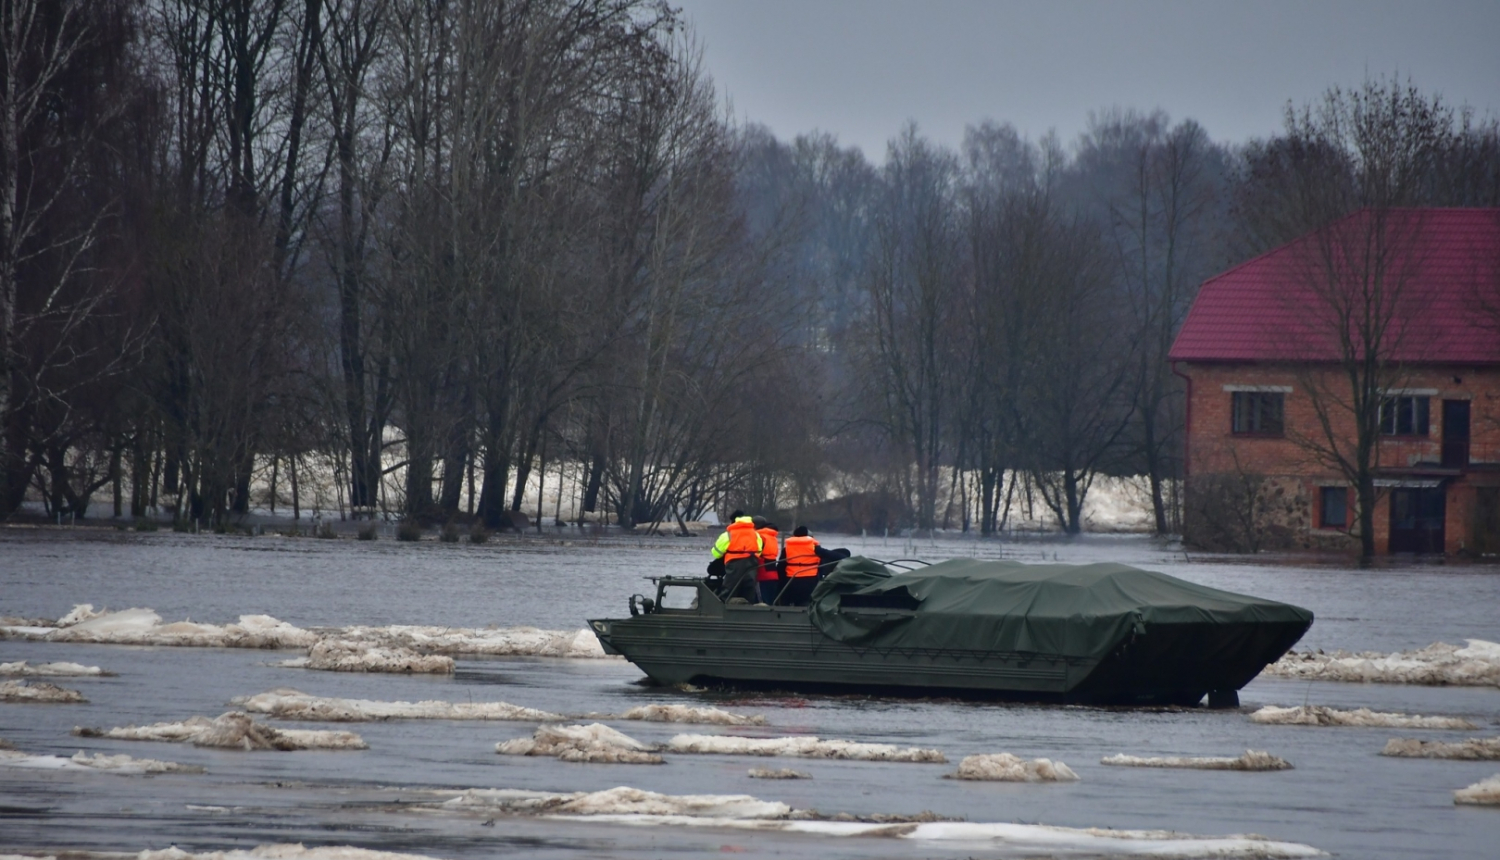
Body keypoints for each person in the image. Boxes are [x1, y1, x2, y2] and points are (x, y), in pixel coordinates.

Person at [777, 526, 850, 606]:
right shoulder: (815, 548)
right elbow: (835, 556)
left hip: (791, 582)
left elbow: (780, 567)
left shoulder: (786, 549)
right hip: (810, 582)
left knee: (787, 596)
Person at [708, 510, 762, 603]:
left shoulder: (728, 534)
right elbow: (759, 550)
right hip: (752, 563)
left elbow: (716, 553)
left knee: (729, 589)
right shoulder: (755, 534)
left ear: (732, 521)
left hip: (734, 565)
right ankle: (749, 607)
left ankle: (725, 605)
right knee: (749, 588)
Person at [755, 520, 781, 605]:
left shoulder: (759, 537)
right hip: (773, 573)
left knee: (762, 602)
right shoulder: (773, 538)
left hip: (761, 574)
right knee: (771, 601)